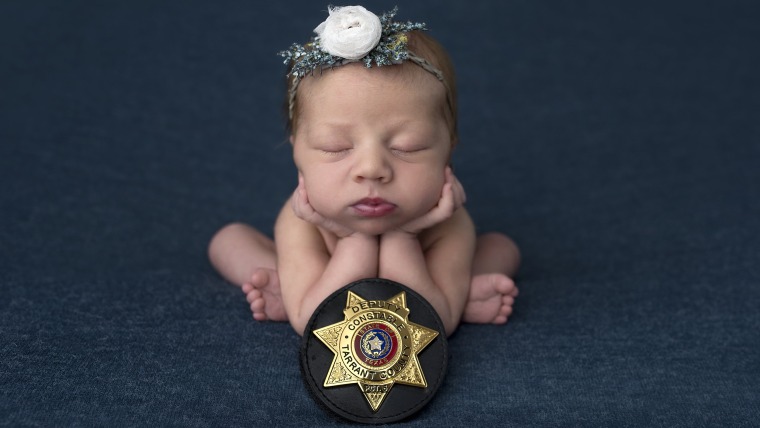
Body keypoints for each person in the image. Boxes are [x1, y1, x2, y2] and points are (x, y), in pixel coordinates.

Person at [208, 6, 520, 336]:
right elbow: (309, 322)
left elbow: (436, 322)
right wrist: (354, 241)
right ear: (297, 151)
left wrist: (404, 237)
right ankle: (291, 286)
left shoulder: (449, 222)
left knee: (502, 247)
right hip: (320, 275)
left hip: (416, 272)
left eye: (408, 146)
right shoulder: (302, 221)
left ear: (449, 148)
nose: (372, 170)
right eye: (336, 146)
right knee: (229, 240)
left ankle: (297, 290)